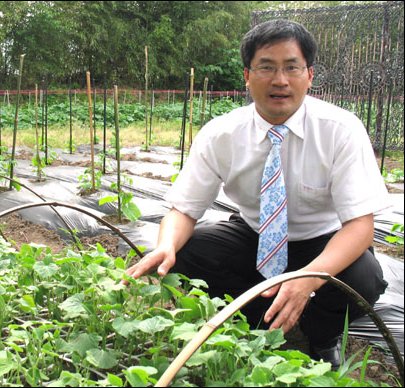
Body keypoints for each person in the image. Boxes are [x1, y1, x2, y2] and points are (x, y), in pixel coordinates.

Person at [125, 19, 389, 369]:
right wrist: (166, 245)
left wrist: (307, 278)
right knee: (190, 250)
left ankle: (322, 335)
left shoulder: (340, 130)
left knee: (363, 277)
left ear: (309, 75)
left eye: (291, 67)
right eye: (266, 67)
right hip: (256, 235)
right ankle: (253, 321)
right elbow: (184, 209)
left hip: (323, 239)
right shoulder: (221, 133)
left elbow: (359, 226)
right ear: (247, 76)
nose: (279, 80)